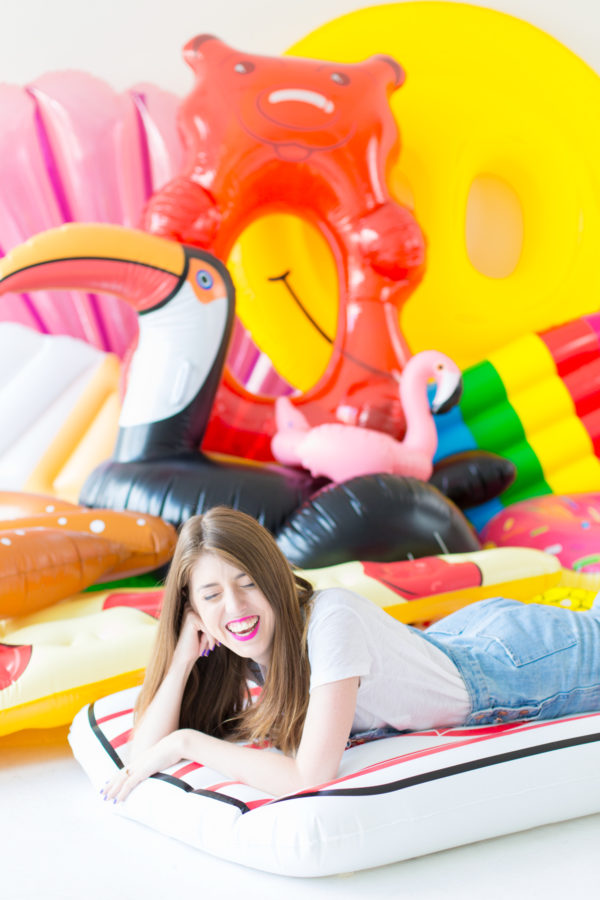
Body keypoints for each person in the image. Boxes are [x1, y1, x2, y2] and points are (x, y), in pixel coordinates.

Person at [102, 506, 600, 803]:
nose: (235, 607)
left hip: (512, 665)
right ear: (189, 606)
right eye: (211, 595)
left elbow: (308, 775)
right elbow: (138, 755)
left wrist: (186, 743)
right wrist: (184, 659)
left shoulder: (329, 620)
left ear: (273, 575)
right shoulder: (236, 641)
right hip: (463, 636)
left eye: (248, 583)